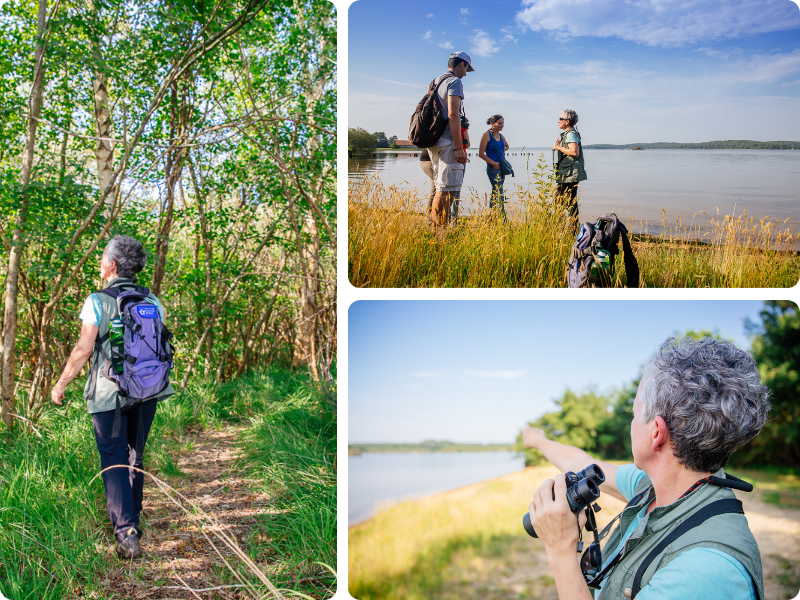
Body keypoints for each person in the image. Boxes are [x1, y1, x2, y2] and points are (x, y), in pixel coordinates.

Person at [523, 337, 769, 600]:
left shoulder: (705, 572)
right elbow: (581, 465)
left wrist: (561, 551)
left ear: (656, 433)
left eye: (634, 412)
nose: (631, 424)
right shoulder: (654, 485)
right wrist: (538, 441)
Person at [51, 236, 174, 560]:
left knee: (114, 458)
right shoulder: (153, 300)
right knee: (136, 455)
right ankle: (133, 520)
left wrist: (61, 384)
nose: (99, 262)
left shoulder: (98, 300)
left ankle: (127, 533)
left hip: (111, 394)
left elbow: (83, 349)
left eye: (102, 258)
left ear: (113, 265)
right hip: (148, 390)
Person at [427, 51, 474, 229]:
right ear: (461, 64)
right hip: (448, 142)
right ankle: (441, 231)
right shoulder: (455, 82)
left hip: (434, 141)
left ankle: (435, 229)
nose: (466, 73)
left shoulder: (435, 81)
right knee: (447, 190)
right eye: (467, 68)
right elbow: (453, 115)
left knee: (440, 187)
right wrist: (458, 148)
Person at [552, 109, 587, 232]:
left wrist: (558, 147)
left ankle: (566, 228)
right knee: (568, 201)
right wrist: (560, 144)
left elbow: (574, 152)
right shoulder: (569, 133)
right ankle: (571, 228)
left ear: (567, 121)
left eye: (560, 119)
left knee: (561, 201)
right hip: (568, 173)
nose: (558, 121)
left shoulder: (571, 133)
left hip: (570, 173)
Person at [479, 114, 510, 220]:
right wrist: (493, 162)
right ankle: (503, 218)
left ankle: (492, 216)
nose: (502, 125)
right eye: (499, 123)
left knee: (495, 191)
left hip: (502, 167)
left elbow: (507, 146)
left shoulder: (501, 136)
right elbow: (481, 154)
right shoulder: (486, 135)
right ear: (492, 124)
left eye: (503, 123)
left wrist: (501, 153)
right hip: (493, 168)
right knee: (499, 191)